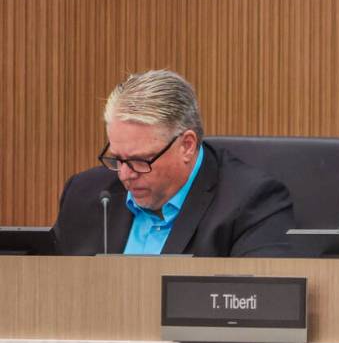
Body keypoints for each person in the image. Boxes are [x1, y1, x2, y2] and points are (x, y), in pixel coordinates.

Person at [54, 69, 295, 256]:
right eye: (118, 159)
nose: (125, 175)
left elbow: (262, 304)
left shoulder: (250, 203)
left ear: (187, 145)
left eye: (140, 160)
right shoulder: (84, 195)